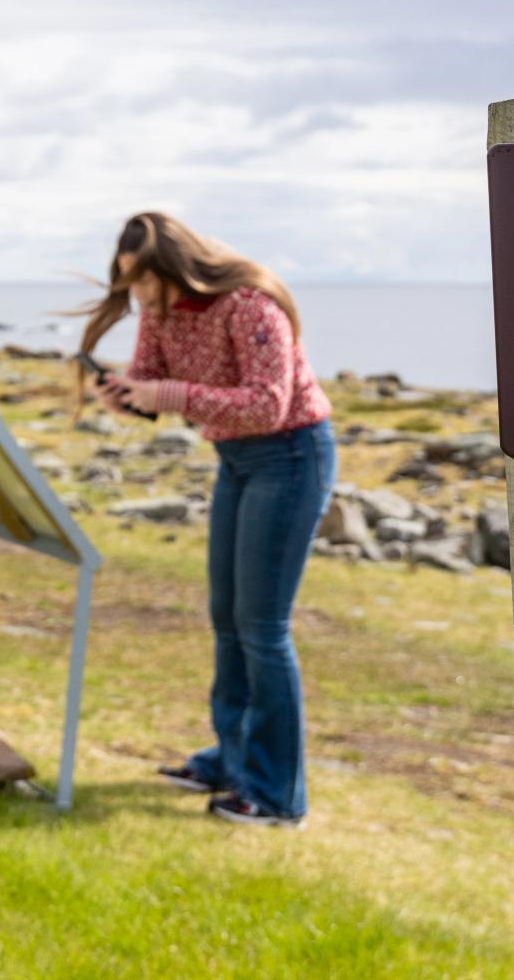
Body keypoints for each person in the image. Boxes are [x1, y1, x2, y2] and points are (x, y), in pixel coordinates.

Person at [77, 211, 335, 828]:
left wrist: (166, 396)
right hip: (236, 459)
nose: (137, 297)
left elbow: (269, 406)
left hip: (292, 455)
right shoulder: (161, 313)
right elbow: (154, 382)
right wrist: (128, 396)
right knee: (227, 616)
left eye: (143, 282)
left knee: (263, 625)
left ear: (173, 269)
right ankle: (234, 760)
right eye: (128, 285)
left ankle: (277, 797)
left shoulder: (250, 305)